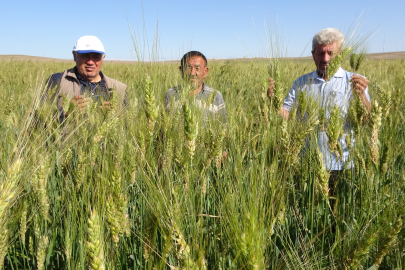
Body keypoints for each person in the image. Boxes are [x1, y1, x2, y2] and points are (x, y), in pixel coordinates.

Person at [267, 28, 371, 192]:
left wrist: (363, 98)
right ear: (313, 54)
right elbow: (286, 115)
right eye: (320, 53)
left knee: (339, 212)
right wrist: (274, 101)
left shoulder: (353, 81)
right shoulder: (301, 82)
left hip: (343, 163)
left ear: (340, 53)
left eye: (331, 52)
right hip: (308, 162)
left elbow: (366, 121)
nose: (326, 58)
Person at [45, 35, 127, 122]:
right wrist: (68, 113)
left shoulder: (120, 88)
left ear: (103, 58)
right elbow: (38, 121)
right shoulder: (58, 80)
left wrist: (119, 115)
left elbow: (130, 125)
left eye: (96, 57)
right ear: (74, 55)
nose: (90, 62)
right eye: (85, 55)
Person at [164, 51, 227, 124]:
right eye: (188, 67)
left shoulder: (216, 96)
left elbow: (223, 128)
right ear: (181, 70)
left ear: (205, 72)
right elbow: (163, 128)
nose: (192, 73)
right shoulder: (170, 94)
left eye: (197, 68)